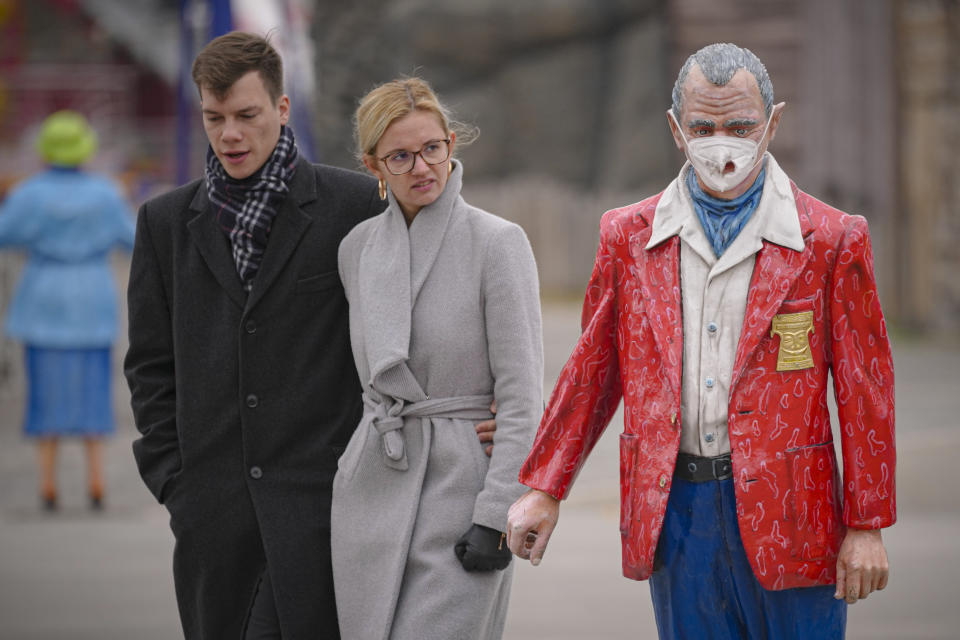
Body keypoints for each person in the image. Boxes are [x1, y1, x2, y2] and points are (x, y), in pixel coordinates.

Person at [506, 43, 896, 639]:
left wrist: (867, 523)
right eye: (703, 126)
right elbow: (592, 369)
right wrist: (544, 487)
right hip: (677, 511)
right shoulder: (627, 236)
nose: (723, 143)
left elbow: (866, 388)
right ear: (675, 128)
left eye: (740, 126)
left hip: (796, 512)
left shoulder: (831, 239)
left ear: (773, 122)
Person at [331, 77, 543, 640]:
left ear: (451, 143)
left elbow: (523, 396)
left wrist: (498, 514)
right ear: (373, 165)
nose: (422, 167)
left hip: (461, 492)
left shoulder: (498, 242)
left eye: (432, 148)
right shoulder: (355, 251)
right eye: (400, 156)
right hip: (373, 486)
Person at [0, 110, 135, 511]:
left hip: (43, 293)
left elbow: (5, 234)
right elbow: (132, 239)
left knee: (44, 395)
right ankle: (96, 480)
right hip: (91, 295)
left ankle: (47, 484)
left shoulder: (27, 194)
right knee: (94, 395)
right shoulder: (107, 193)